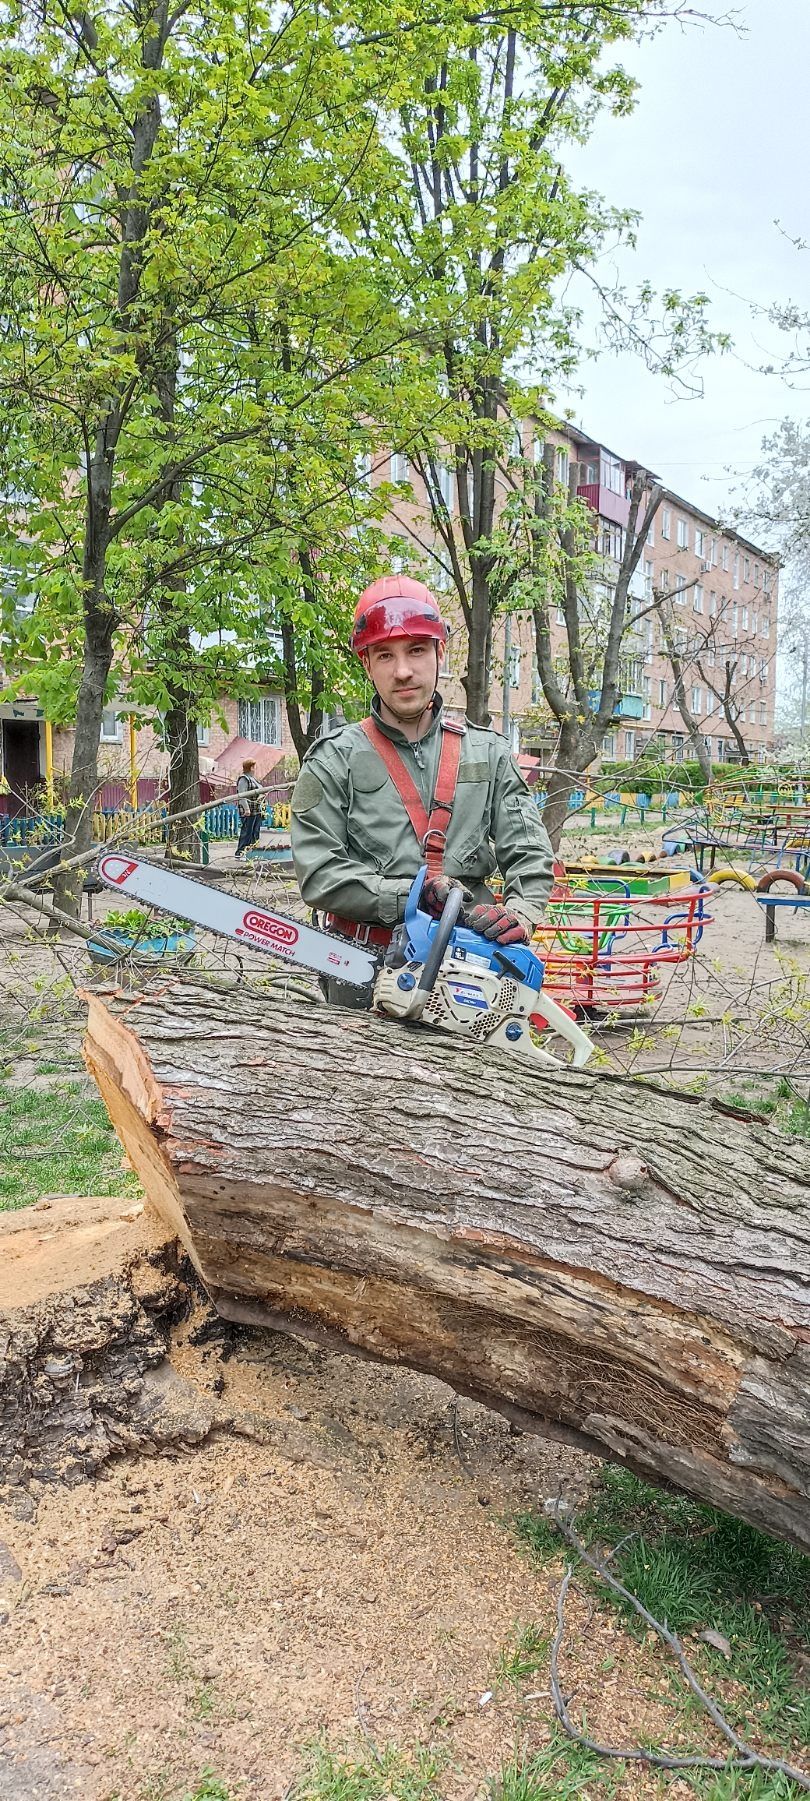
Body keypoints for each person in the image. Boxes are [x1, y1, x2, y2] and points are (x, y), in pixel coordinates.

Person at [291, 574, 555, 1000]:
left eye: (416, 650)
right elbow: (319, 874)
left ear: (439, 651)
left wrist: (520, 913)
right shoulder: (333, 758)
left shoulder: (487, 752)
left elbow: (529, 851)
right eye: (384, 655)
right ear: (366, 664)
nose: (403, 671)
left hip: (467, 964)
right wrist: (410, 896)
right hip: (363, 961)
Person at [235, 758, 263, 858]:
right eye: (254, 767)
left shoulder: (253, 779)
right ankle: (240, 853)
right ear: (251, 767)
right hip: (248, 811)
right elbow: (242, 795)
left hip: (256, 811)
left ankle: (252, 853)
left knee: (255, 833)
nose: (255, 769)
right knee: (247, 832)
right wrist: (246, 809)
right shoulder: (243, 779)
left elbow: (260, 789)